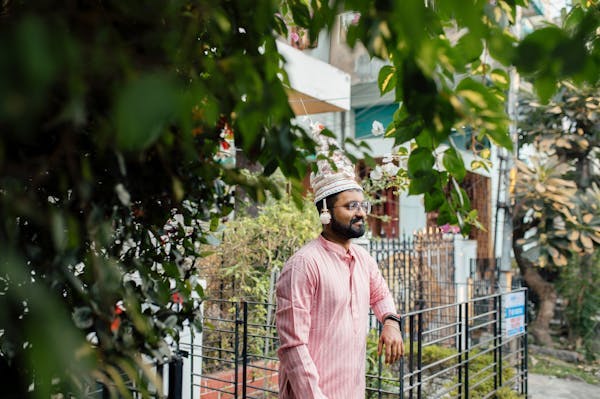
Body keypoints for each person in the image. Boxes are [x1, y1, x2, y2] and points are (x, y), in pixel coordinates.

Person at [275, 123, 404, 399]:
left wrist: (391, 322)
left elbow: (381, 294)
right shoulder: (303, 265)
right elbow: (292, 346)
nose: (360, 213)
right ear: (325, 211)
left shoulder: (363, 259)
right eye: (350, 206)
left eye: (362, 205)